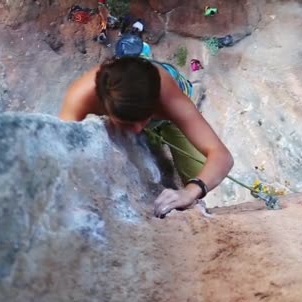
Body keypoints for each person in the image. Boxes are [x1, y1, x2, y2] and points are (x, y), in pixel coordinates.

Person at [58, 55, 233, 218]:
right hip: (141, 110)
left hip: (166, 117)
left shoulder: (167, 95)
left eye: (144, 120)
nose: (136, 129)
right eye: (127, 123)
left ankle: (152, 124)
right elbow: (61, 151)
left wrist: (190, 191)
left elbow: (221, 156)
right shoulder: (81, 96)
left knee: (199, 172)